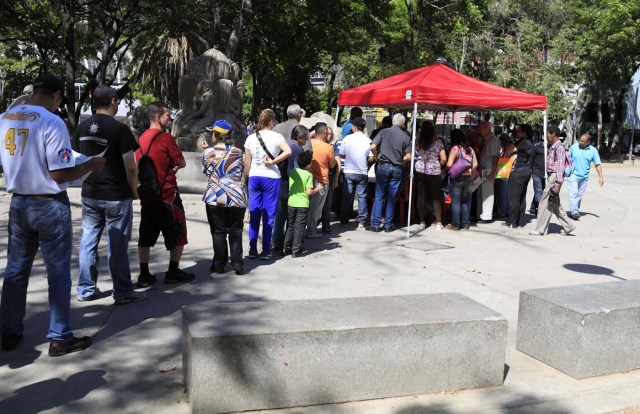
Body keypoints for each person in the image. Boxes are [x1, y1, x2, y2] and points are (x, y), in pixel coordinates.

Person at [0, 74, 105, 356]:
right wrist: (91, 165)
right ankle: (60, 337)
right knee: (57, 272)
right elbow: (59, 172)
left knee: (15, 270)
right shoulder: (52, 121)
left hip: (20, 203)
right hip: (48, 204)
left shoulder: (6, 117)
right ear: (56, 95)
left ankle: (9, 331)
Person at [73, 85, 145, 304]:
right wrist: (134, 191)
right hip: (116, 194)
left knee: (88, 241)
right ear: (114, 100)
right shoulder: (120, 129)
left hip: (90, 193)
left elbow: (75, 159)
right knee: (117, 244)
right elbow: (130, 166)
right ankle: (122, 291)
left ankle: (86, 289)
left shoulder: (81, 128)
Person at [136, 102, 195, 286]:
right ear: (157, 117)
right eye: (167, 115)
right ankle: (173, 271)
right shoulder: (166, 138)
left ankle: (144, 274)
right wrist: (173, 166)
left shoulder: (140, 139)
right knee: (178, 233)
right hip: (167, 194)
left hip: (147, 196)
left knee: (145, 236)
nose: (170, 118)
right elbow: (182, 162)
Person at [244, 108, 292, 259]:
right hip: (271, 177)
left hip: (254, 176)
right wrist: (273, 161)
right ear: (271, 122)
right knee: (269, 215)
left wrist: (245, 180)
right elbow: (288, 151)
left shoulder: (251, 138)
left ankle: (252, 249)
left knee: (255, 213)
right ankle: (266, 250)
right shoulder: (277, 136)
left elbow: (247, 163)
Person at [202, 120, 247, 275]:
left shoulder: (208, 152)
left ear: (215, 135)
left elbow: (206, 171)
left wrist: (206, 149)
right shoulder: (238, 152)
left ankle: (219, 264)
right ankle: (237, 262)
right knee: (236, 230)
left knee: (219, 231)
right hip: (235, 196)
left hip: (215, 196)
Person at [367, 113, 411, 232]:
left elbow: (372, 146)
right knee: (392, 197)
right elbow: (409, 156)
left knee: (379, 195)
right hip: (397, 168)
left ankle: (375, 224)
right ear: (402, 124)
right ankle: (388, 225)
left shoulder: (383, 132)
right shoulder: (406, 137)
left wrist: (376, 157)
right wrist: (400, 160)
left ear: (393, 121)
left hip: (383, 165)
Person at [530, 125, 576, 236]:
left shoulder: (559, 148)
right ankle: (569, 226)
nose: (546, 136)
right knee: (554, 204)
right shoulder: (554, 147)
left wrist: (557, 185)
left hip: (554, 178)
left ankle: (540, 229)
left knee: (544, 203)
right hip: (553, 177)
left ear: (553, 134)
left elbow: (560, 166)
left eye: (547, 134)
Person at [272, 125, 308, 253]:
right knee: (290, 216)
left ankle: (277, 241)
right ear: (299, 137)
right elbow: (296, 169)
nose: (307, 140)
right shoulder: (295, 148)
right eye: (305, 137)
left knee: (280, 214)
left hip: (281, 181)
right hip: (289, 183)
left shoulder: (288, 145)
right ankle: (287, 243)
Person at [283, 151, 323, 257]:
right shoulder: (308, 175)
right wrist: (318, 188)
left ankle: (286, 247)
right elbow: (309, 192)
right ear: (309, 164)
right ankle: (296, 249)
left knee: (291, 225)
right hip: (302, 204)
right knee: (299, 227)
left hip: (291, 202)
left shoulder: (293, 172)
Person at [339, 117, 373, 228]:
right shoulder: (368, 140)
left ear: (354, 127)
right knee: (361, 197)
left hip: (348, 171)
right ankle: (361, 221)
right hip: (362, 172)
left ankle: (344, 221)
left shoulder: (346, 139)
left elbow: (342, 155)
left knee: (347, 196)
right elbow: (371, 158)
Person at [414, 120, 446, 230]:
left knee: (421, 195)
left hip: (420, 170)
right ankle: (438, 222)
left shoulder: (418, 141)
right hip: (434, 171)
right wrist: (437, 164)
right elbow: (444, 158)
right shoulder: (438, 142)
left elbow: (414, 154)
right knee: (436, 196)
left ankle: (422, 221)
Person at [306, 122, 336, 238]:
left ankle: (303, 230)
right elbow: (332, 165)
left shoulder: (308, 143)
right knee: (316, 208)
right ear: (324, 132)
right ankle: (311, 231)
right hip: (321, 181)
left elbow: (307, 135)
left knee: (306, 206)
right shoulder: (328, 147)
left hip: (308, 178)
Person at [445, 129, 478, 230]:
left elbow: (449, 164)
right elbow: (475, 164)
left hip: (456, 178)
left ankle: (455, 224)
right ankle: (466, 224)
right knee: (465, 201)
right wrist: (470, 172)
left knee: (456, 201)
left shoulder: (455, 149)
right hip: (468, 178)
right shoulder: (470, 149)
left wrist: (448, 168)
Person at [567, 133, 604, 220]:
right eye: (580, 140)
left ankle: (575, 210)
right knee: (573, 193)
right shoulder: (574, 147)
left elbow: (597, 164)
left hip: (584, 177)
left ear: (588, 142)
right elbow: (567, 158)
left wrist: (601, 177)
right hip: (573, 174)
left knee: (579, 195)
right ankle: (574, 211)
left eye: (583, 141)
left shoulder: (593, 150)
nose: (580, 142)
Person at [503, 125, 533, 228]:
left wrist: (508, 141)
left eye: (518, 131)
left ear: (524, 133)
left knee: (513, 198)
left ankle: (512, 221)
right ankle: (520, 221)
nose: (516, 132)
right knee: (521, 197)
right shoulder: (529, 143)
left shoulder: (523, 143)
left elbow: (509, 150)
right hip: (526, 171)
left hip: (518, 171)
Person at [476, 121, 501, 223]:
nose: (480, 130)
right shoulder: (486, 139)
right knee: (482, 193)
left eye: (482, 128)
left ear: (488, 129)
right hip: (484, 168)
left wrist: (493, 172)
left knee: (488, 193)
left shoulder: (494, 140)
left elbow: (495, 157)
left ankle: (487, 216)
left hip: (489, 169)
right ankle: (482, 214)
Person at [321, 126, 339, 233]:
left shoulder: (333, 146)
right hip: (319, 176)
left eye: (330, 133)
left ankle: (326, 225)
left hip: (330, 176)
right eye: (326, 133)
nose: (328, 135)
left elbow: (337, 163)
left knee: (328, 202)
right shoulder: (318, 145)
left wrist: (336, 177)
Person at [495, 133, 516, 219]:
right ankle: (506, 212)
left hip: (504, 174)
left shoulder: (509, 148)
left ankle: (503, 213)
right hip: (506, 174)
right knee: (506, 195)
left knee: (503, 195)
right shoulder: (510, 147)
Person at [529, 133, 546, 216]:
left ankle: (533, 206)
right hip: (536, 172)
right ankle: (540, 209)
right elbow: (531, 159)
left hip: (546, 173)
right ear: (542, 136)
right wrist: (530, 170)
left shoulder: (551, 148)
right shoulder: (537, 146)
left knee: (542, 191)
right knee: (538, 191)